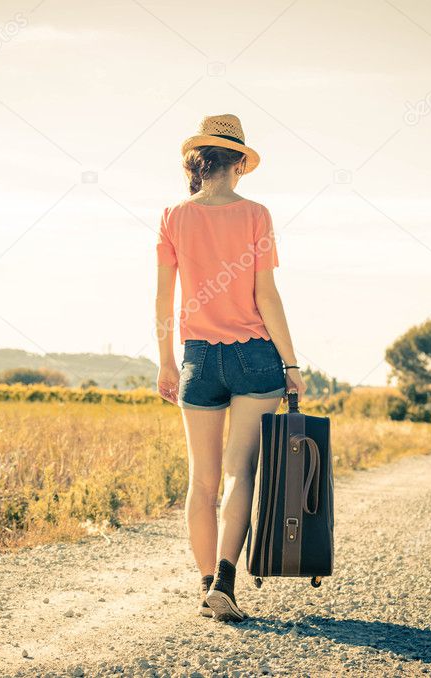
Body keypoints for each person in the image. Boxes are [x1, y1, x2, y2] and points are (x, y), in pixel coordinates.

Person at [155, 114, 306, 622]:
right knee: (241, 473)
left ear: (201, 160)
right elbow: (267, 295)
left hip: (197, 357)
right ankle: (224, 580)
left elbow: (163, 300)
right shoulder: (256, 214)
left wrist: (165, 363)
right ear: (238, 161)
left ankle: (204, 588)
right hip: (254, 356)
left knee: (202, 480)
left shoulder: (173, 215)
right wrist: (290, 362)